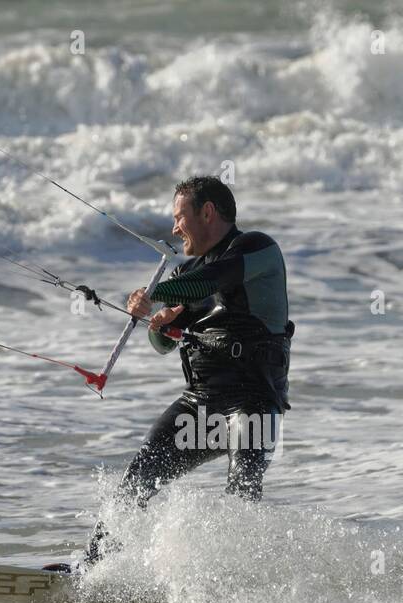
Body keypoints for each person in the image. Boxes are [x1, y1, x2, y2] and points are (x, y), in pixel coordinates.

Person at [78, 175, 294, 567]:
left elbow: (212, 281)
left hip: (253, 402)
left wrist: (154, 295)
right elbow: (163, 345)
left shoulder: (259, 250)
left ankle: (239, 578)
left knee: (243, 490)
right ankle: (91, 571)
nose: (175, 228)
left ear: (207, 212)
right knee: (137, 480)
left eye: (180, 217)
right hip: (201, 406)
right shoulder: (186, 275)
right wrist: (157, 325)